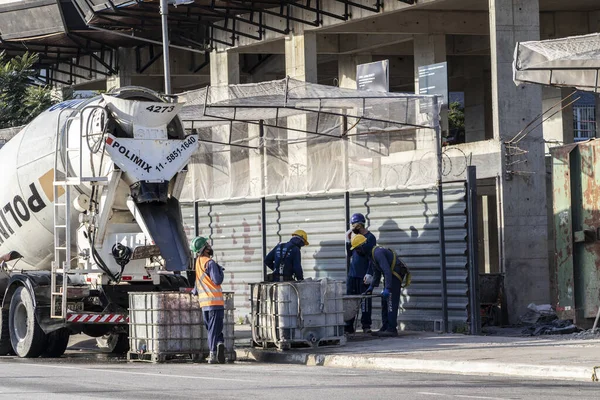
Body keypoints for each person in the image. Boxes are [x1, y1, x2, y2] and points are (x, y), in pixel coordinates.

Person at [350, 234, 411, 337]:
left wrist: (387, 288)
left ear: (362, 246)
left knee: (390, 299)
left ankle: (392, 329)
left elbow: (387, 271)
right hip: (390, 275)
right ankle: (385, 327)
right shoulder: (371, 255)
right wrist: (371, 288)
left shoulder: (378, 253)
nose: (357, 252)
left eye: (357, 249)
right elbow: (377, 274)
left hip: (395, 275)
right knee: (384, 300)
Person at [190, 236, 226, 364]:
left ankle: (220, 344)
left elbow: (198, 282)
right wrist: (220, 271)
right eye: (207, 244)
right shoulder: (210, 263)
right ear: (204, 249)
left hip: (204, 304)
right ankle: (213, 353)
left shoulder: (198, 262)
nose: (210, 246)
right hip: (215, 302)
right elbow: (217, 280)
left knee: (213, 328)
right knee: (214, 329)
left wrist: (194, 292)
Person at [345, 213, 376, 334]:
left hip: (364, 275)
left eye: (354, 225)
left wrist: (369, 273)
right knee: (350, 301)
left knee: (365, 301)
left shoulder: (370, 238)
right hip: (353, 274)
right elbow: (350, 254)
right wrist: (348, 240)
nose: (352, 228)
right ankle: (348, 326)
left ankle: (366, 325)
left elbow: (372, 257)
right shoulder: (354, 237)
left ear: (359, 225)